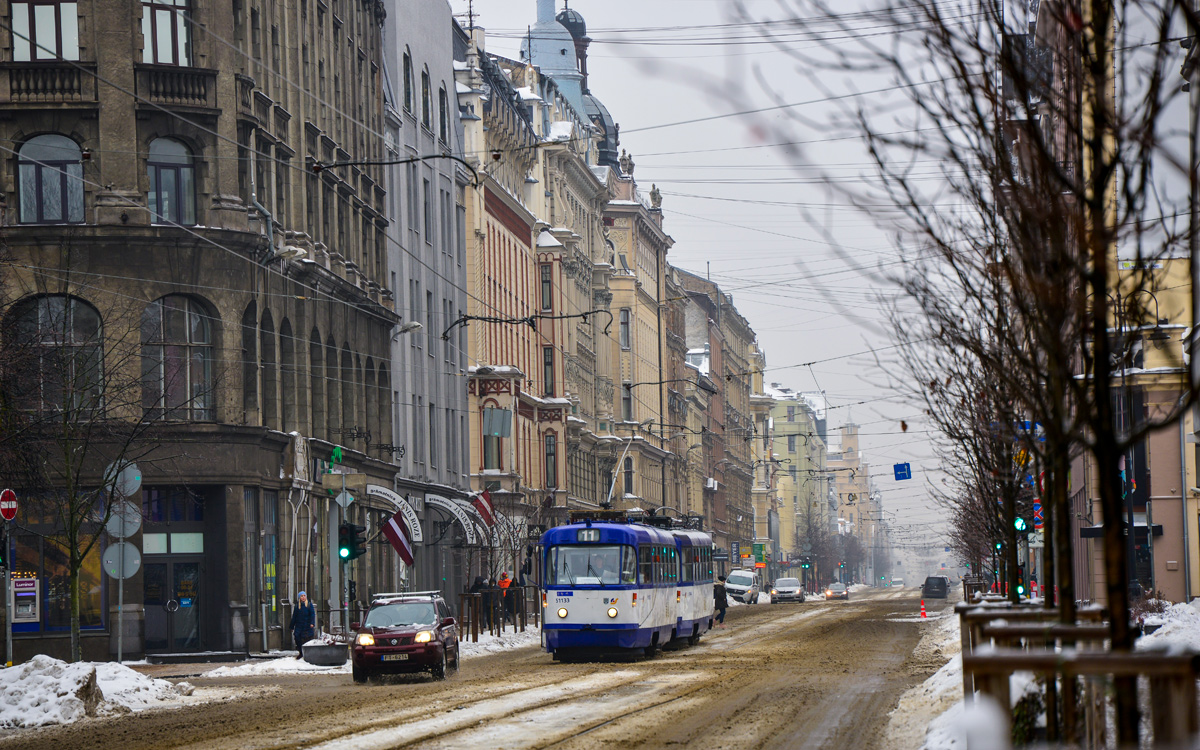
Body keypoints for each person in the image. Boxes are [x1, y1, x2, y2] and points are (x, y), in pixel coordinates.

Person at [290, 590, 316, 657]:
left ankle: (307, 653)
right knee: (297, 637)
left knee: (307, 639)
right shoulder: (297, 606)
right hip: (299, 625)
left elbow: (312, 615)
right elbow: (294, 617)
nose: (303, 597)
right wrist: (292, 626)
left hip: (307, 625)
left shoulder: (309, 605)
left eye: (304, 596)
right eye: (302, 596)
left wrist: (312, 623)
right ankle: (300, 652)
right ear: (299, 598)